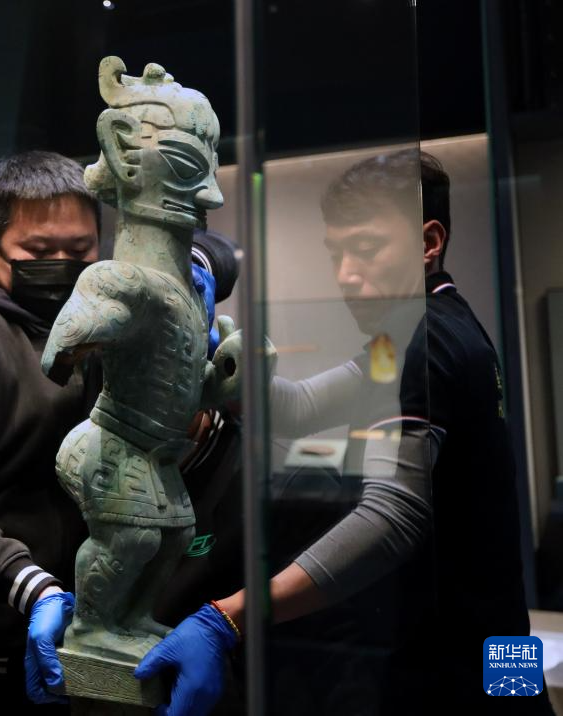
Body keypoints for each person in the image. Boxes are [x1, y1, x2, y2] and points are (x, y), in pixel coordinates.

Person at [137, 150, 557, 715]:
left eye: (366, 248)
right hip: (497, 641)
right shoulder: (426, 331)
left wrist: (229, 615)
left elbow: (393, 514)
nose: (345, 275)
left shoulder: (429, 340)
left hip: (459, 665)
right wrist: (226, 372)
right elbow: (303, 406)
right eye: (337, 254)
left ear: (429, 243)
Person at [0, 150, 238, 714]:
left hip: (80, 638)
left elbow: (214, 248)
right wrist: (30, 585)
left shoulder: (110, 309)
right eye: (38, 252)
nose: (60, 265)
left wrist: (186, 268)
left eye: (78, 251)